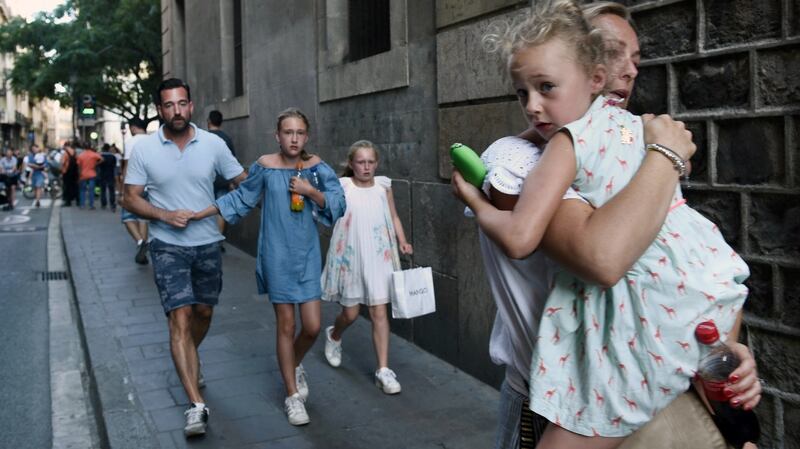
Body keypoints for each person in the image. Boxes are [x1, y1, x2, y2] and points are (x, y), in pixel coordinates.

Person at [453, 2, 758, 447]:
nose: (628, 70)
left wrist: (728, 352)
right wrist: (666, 157)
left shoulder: (626, 140)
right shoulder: (518, 157)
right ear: (588, 63)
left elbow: (690, 272)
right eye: (612, 51)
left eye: (635, 58)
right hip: (570, 400)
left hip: (656, 386)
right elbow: (603, 258)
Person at [194, 107, 346, 427]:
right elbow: (240, 199)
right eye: (287, 132)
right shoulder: (265, 167)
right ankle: (292, 397)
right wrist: (200, 213)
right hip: (276, 254)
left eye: (299, 133)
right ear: (277, 136)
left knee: (314, 326)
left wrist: (311, 192)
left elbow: (337, 202)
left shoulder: (316, 168)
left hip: (306, 255)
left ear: (307, 136)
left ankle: (293, 364)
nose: (293, 138)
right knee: (286, 325)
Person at [122, 78, 246, 437]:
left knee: (204, 312)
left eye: (181, 104)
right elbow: (130, 198)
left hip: (208, 243)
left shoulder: (212, 144)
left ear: (191, 106)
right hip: (166, 244)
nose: (175, 111)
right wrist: (163, 216)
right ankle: (196, 405)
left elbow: (243, 182)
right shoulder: (145, 148)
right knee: (180, 316)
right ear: (160, 110)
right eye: (168, 105)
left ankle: (191, 357)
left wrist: (223, 209)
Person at [319, 140, 413, 394]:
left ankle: (383, 370)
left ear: (377, 163)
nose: (366, 167)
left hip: (379, 255)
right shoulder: (343, 185)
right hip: (352, 255)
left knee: (379, 313)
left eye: (371, 162)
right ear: (351, 164)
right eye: (361, 162)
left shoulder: (384, 186)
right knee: (350, 314)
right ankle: (334, 335)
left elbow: (393, 216)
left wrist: (402, 241)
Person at [120, 118, 151, 264]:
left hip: (134, 185)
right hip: (149, 185)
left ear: (133, 128)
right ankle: (144, 246)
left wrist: (122, 189)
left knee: (127, 217)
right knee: (143, 217)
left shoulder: (131, 142)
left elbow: (127, 166)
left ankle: (140, 241)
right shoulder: (153, 140)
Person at [206, 110, 237, 252]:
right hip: (224, 180)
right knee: (221, 211)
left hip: (207, 181)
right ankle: (218, 241)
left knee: (206, 211)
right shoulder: (226, 138)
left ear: (209, 121)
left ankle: (208, 239)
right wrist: (232, 182)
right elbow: (232, 163)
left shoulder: (204, 138)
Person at [76, 145, 103, 210]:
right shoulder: (93, 154)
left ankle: (82, 205)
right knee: (91, 190)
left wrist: (79, 174)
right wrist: (95, 164)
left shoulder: (81, 155)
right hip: (92, 174)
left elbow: (78, 166)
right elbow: (102, 159)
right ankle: (91, 205)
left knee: (82, 190)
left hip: (83, 174)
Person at [98, 143, 118, 211]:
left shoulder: (100, 156)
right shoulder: (113, 157)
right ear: (109, 149)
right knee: (111, 190)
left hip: (102, 174)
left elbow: (98, 165)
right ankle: (112, 203)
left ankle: (103, 203)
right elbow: (114, 166)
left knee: (103, 190)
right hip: (110, 174)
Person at [26, 144, 47, 208]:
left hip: (40, 173)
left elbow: (46, 163)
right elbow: (29, 164)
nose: (34, 150)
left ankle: (38, 201)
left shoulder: (42, 155)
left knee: (38, 186)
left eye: (35, 148)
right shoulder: (30, 156)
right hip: (33, 173)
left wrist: (41, 166)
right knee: (35, 187)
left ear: (38, 148)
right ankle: (37, 199)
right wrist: (35, 166)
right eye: (33, 149)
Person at [61, 142, 79, 207]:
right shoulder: (74, 152)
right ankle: (78, 201)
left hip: (67, 171)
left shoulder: (65, 153)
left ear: (66, 146)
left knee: (67, 186)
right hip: (74, 171)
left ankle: (68, 202)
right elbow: (78, 161)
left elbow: (63, 162)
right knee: (75, 186)